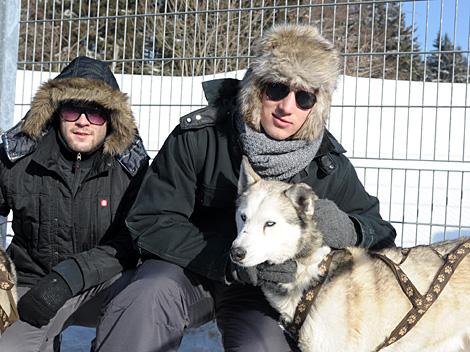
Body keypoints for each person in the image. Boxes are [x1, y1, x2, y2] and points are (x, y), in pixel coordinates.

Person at [93, 25, 397, 352]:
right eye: (277, 89)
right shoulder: (201, 138)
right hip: (189, 269)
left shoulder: (326, 164)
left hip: (266, 291)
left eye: (304, 96)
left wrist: (350, 228)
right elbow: (150, 220)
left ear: (315, 107)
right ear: (255, 88)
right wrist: (227, 261)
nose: (287, 107)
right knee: (145, 298)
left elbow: (380, 233)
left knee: (263, 345)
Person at [0, 56, 149, 352]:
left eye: (95, 113)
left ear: (111, 119)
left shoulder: (131, 169)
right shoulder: (19, 156)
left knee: (142, 302)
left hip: (104, 285)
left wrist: (68, 278)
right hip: (31, 283)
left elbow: (135, 239)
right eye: (73, 109)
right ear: (57, 112)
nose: (83, 121)